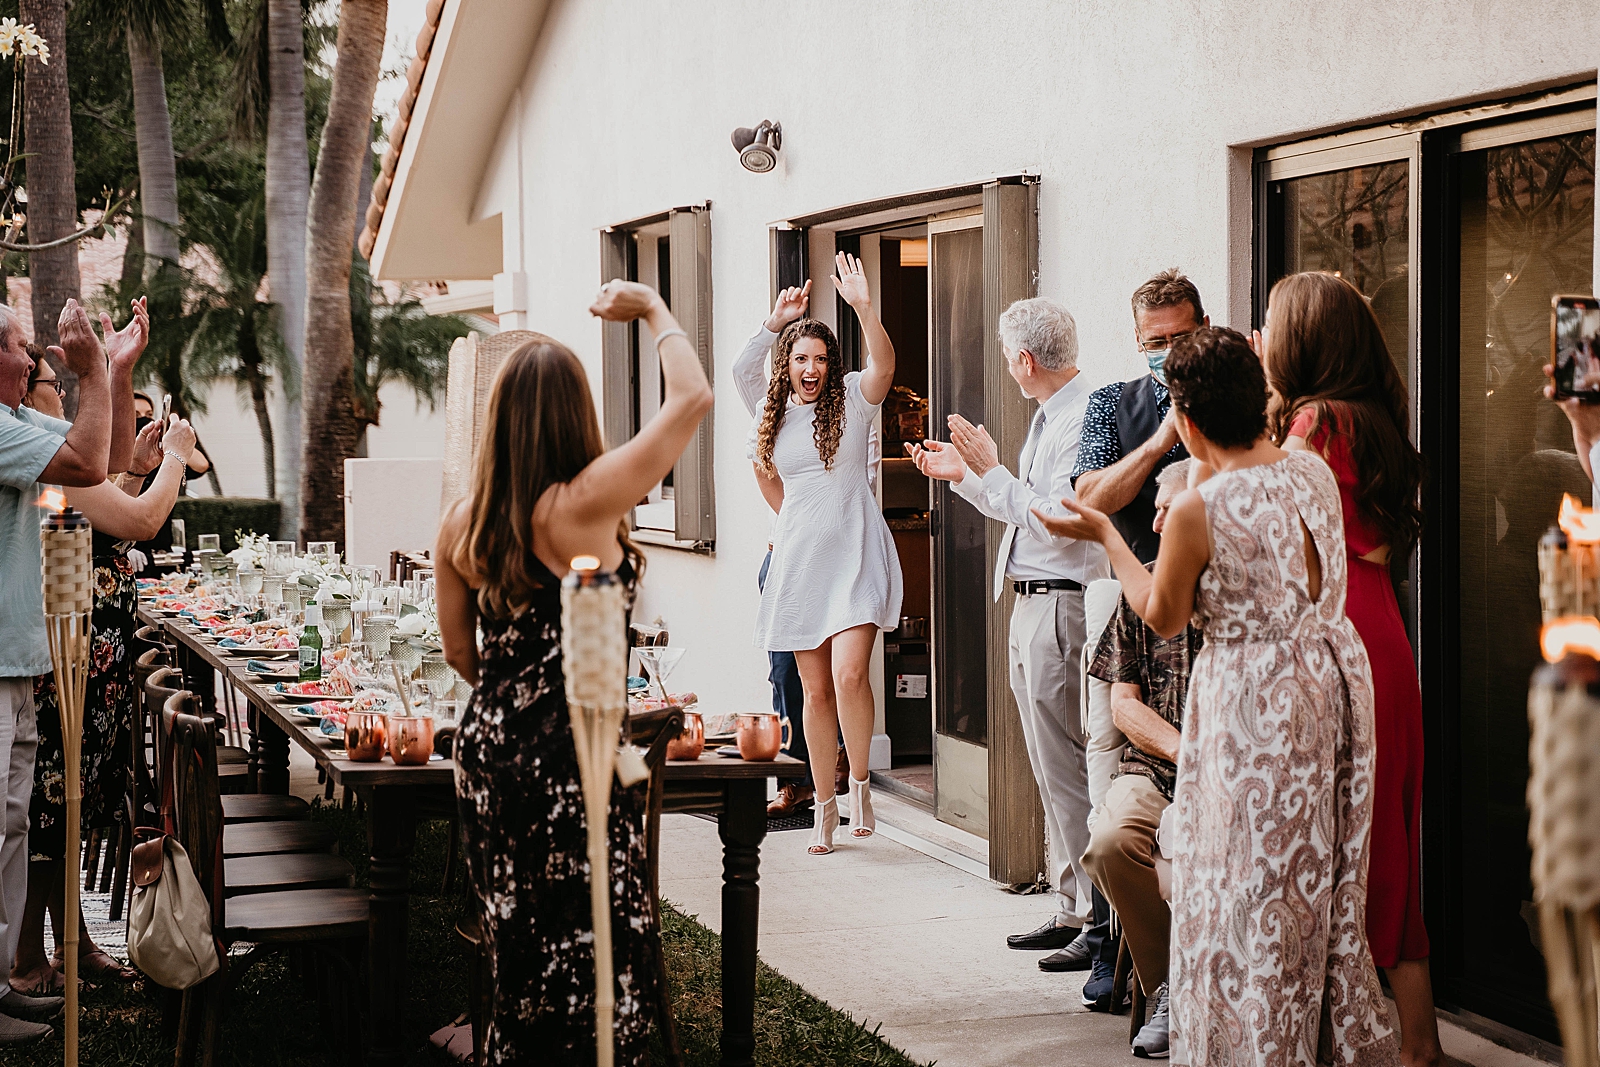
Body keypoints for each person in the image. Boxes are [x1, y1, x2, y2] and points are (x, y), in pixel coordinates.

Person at [1033, 326, 1399, 1067]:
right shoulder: (1308, 472)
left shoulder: (1206, 507)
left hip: (1249, 708)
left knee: (1240, 891)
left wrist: (1107, 533)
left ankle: (1251, 1043)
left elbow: (1162, 612)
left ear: (1189, 422)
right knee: (1307, 884)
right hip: (1323, 690)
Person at [433, 279, 712, 1063]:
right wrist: (656, 307)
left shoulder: (464, 518)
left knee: (514, 944)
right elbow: (690, 397)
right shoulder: (586, 500)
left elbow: (460, 651)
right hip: (574, 753)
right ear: (576, 414)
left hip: (491, 752)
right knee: (595, 941)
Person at [907, 297, 1109, 981]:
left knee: (1068, 767)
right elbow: (1021, 508)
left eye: (1005, 355)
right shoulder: (1053, 414)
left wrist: (992, 469)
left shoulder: (1083, 417)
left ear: (1025, 360)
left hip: (1062, 610)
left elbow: (1055, 518)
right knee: (1047, 766)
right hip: (1032, 606)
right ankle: (1070, 900)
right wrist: (964, 477)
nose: (1005, 365)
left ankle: (1095, 916)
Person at [1264, 271, 1438, 1067]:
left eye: (1273, 327)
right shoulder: (1374, 418)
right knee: (1389, 835)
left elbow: (1272, 525)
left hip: (1341, 635)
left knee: (1339, 836)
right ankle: (1420, 1040)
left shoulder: (1313, 422)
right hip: (1384, 631)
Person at [12, 356, 197, 995]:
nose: (59, 393)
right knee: (49, 811)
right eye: (49, 385)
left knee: (76, 806)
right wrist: (173, 455)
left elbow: (106, 483)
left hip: (96, 655)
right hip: (66, 657)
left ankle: (73, 941)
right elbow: (139, 520)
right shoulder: (41, 455)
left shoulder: (58, 457)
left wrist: (136, 463)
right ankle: (31, 958)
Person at [740, 255, 902, 855]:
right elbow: (737, 370)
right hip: (800, 558)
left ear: (832, 364)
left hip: (855, 551)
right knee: (813, 692)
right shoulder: (772, 410)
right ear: (788, 364)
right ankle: (824, 806)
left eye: (820, 358)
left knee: (851, 674)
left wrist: (863, 306)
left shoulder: (854, 401)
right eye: (800, 358)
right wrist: (773, 323)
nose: (811, 368)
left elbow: (884, 363)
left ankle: (860, 786)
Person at [0, 300, 125, 1046]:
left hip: (16, 664)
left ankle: (3, 988)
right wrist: (92, 371)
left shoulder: (14, 424)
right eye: (20, 345)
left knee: (9, 831)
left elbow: (99, 455)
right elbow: (83, 465)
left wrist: (111, 366)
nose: (32, 359)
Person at [1083, 458, 1202, 1059]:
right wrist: (1184, 750)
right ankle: (1168, 989)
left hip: (1237, 771)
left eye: (1163, 506)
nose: (1153, 521)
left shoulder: (1239, 589)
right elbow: (1123, 703)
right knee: (1110, 840)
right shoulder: (1144, 586)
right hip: (1158, 771)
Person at [1072, 270, 1208, 564]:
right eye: (1156, 343)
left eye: (1182, 337)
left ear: (1205, 328)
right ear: (1138, 339)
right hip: (1140, 589)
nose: (1170, 351)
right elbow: (1089, 501)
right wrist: (1156, 445)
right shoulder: (1109, 402)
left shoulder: (1237, 397)